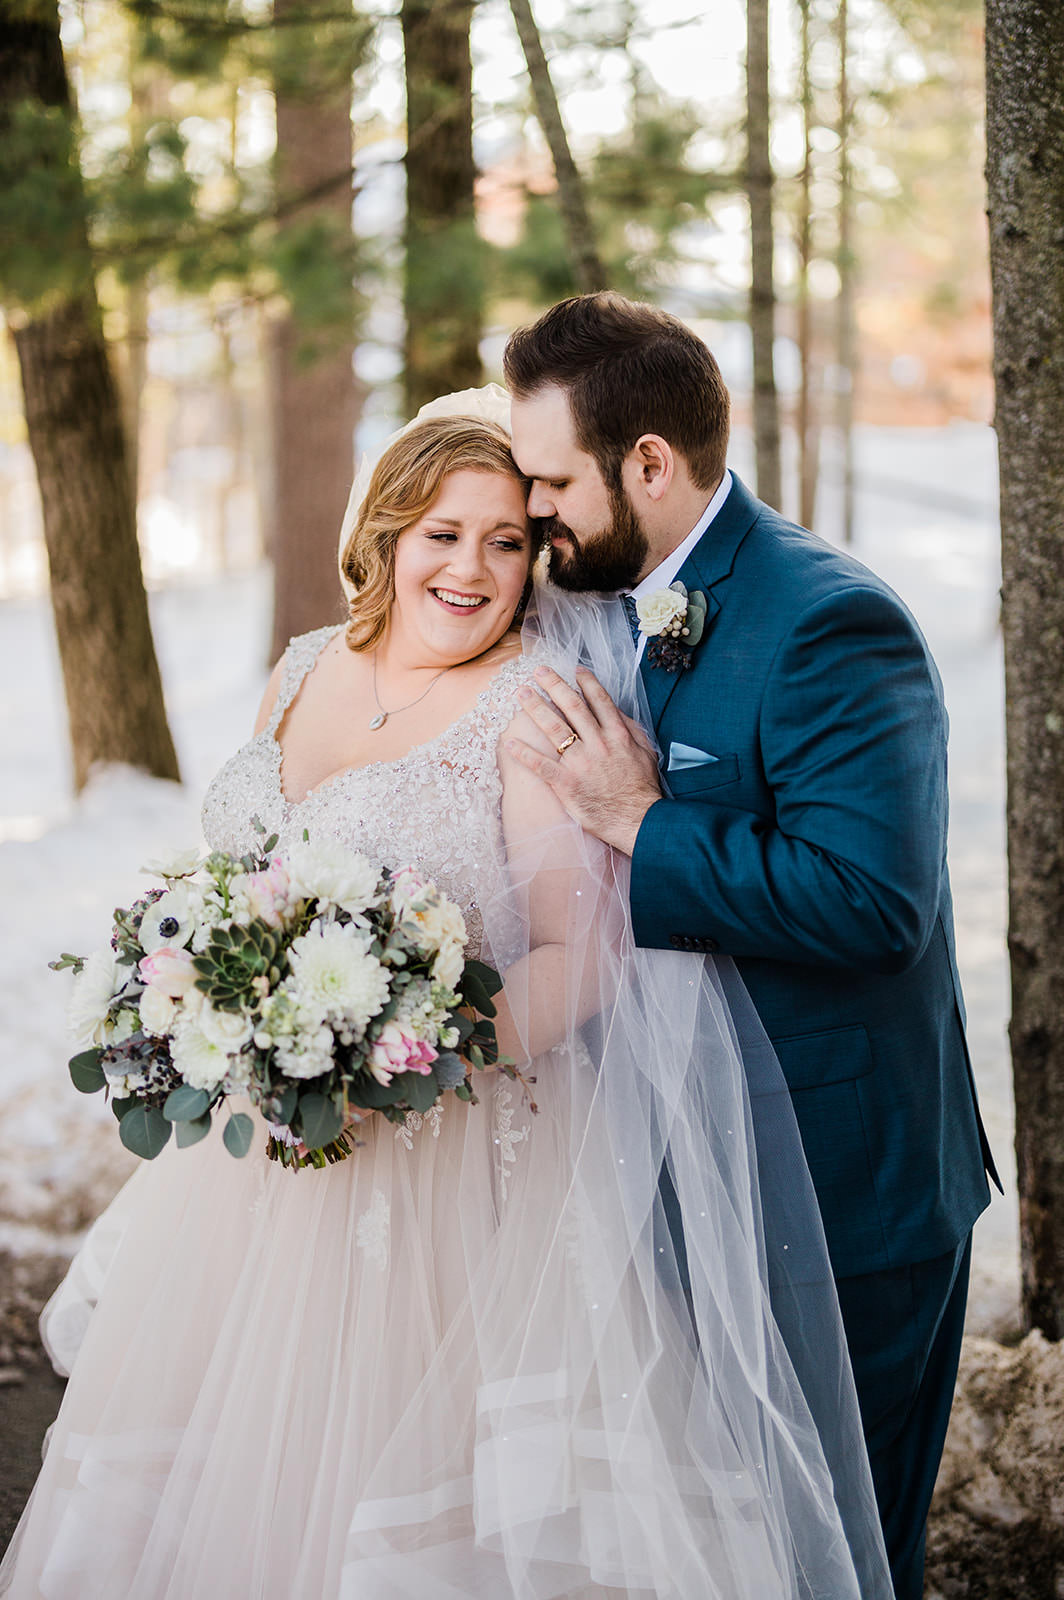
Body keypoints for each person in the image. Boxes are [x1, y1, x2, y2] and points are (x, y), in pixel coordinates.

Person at [1, 406, 892, 1598]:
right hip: (256, 1162)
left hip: (454, 1164)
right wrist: (208, 1007)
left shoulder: (535, 705)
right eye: (440, 533)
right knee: (227, 1474)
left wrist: (398, 1066)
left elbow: (587, 950)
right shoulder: (302, 663)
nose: (470, 568)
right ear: (384, 531)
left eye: (506, 542)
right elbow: (240, 876)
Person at [503, 291, 999, 1600]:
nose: (532, 509)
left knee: (828, 1551)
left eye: (552, 478)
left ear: (649, 464)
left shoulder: (829, 624)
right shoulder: (603, 599)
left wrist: (642, 823)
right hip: (679, 1182)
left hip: (843, 1199)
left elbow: (870, 903)